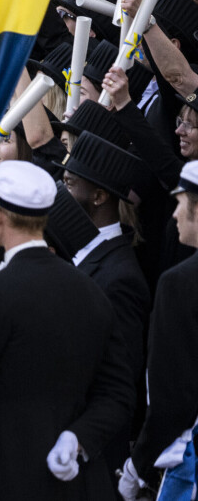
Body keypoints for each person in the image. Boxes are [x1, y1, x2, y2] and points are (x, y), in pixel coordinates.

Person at [0, 160, 135, 500]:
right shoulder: (91, 290)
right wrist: (78, 438)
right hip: (77, 484)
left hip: (7, 481)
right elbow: (118, 394)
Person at [120, 161, 198, 500]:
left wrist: (137, 466)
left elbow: (173, 401)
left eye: (180, 203)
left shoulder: (179, 284)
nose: (174, 215)